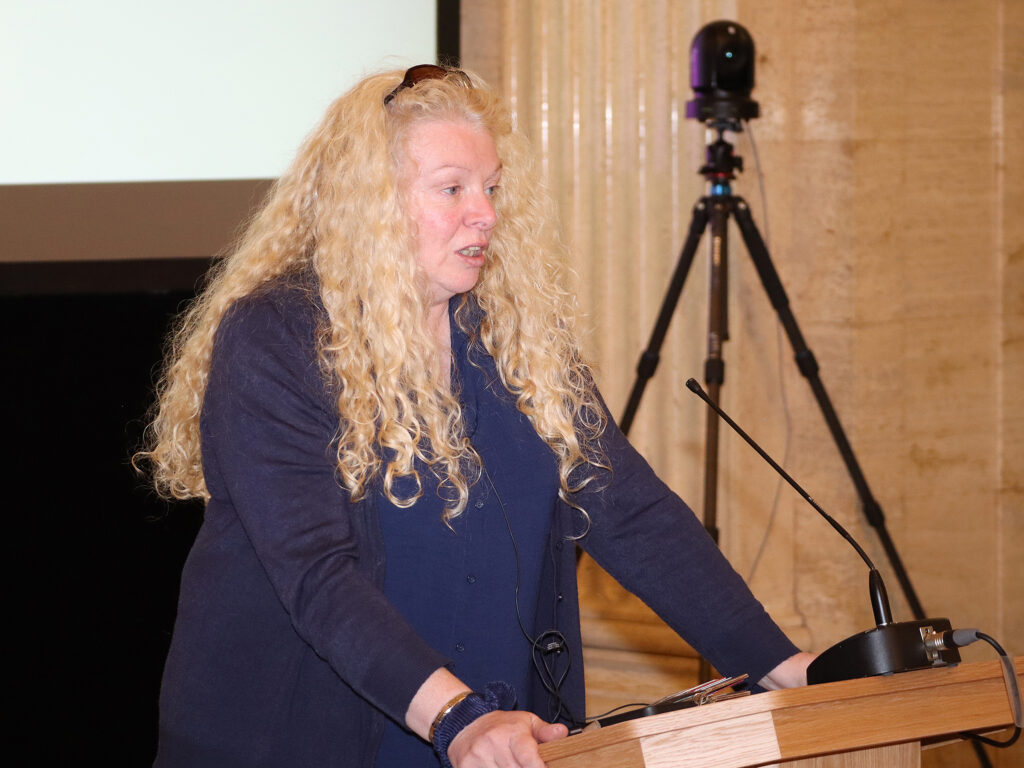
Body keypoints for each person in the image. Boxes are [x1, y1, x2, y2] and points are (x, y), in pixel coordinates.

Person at [140, 64, 813, 768]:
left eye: (491, 187)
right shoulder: (276, 336)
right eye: (452, 189)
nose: (485, 212)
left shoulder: (514, 345)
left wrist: (782, 665)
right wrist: (456, 715)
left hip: (495, 738)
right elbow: (316, 574)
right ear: (365, 202)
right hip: (302, 739)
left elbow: (634, 516)